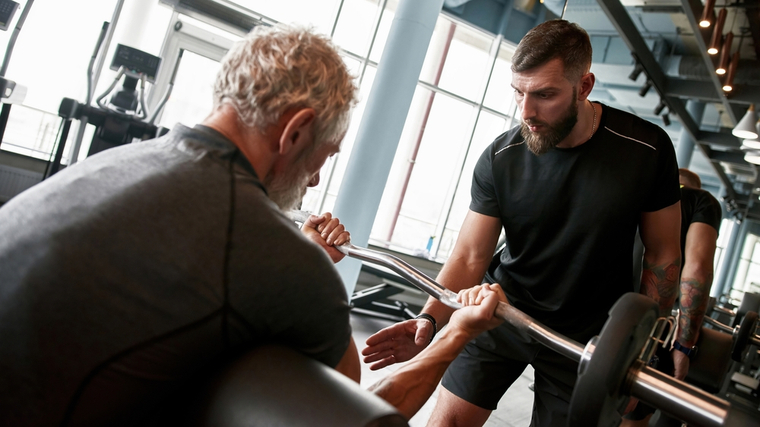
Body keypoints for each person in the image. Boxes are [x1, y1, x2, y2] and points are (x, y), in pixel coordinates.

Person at [0, 24, 361, 426]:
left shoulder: (115, 164)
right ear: (295, 132)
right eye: (325, 154)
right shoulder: (273, 250)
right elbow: (347, 405)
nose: (314, 180)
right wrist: (446, 339)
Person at [362, 19, 683, 427]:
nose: (526, 111)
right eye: (519, 92)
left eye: (545, 95)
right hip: (501, 311)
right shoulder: (501, 157)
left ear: (584, 86)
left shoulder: (647, 149)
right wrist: (430, 318)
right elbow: (470, 254)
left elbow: (663, 254)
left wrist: (643, 349)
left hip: (587, 337)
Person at [624, 168, 723, 425]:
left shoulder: (635, 188)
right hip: (650, 330)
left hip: (597, 315)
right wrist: (683, 346)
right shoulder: (702, 200)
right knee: (630, 414)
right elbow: (697, 271)